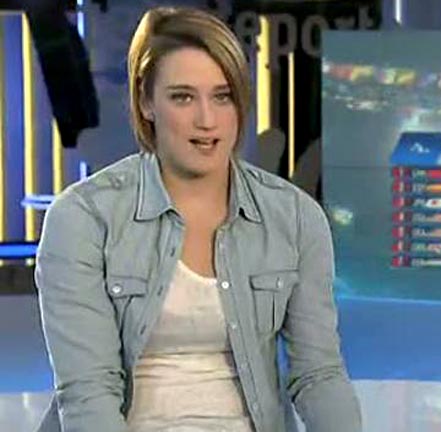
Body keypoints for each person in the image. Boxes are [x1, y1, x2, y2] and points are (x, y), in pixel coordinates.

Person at [34, 6, 360, 432]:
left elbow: (318, 374)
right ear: (146, 102)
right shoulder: (83, 219)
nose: (207, 120)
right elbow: (88, 393)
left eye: (222, 96)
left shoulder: (295, 217)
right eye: (183, 97)